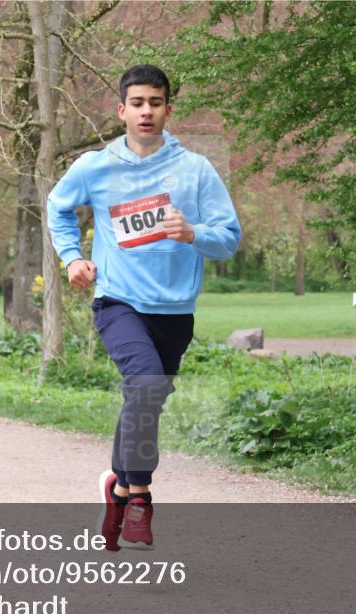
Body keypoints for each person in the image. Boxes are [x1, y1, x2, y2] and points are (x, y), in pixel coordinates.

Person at [46, 64, 241, 549]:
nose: (146, 111)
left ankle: (116, 483)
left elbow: (229, 239)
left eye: (155, 103)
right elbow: (58, 206)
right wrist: (72, 258)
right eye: (137, 103)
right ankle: (140, 497)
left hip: (174, 311)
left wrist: (193, 233)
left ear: (168, 110)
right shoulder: (97, 166)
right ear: (122, 110)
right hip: (117, 301)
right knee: (148, 383)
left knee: (145, 397)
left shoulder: (195, 170)